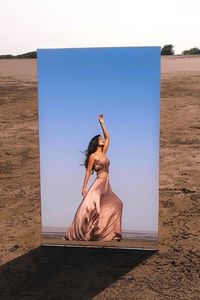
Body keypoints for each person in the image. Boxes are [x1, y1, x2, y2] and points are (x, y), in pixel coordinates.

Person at [64, 114, 123, 241]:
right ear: (96, 142)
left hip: (106, 185)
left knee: (117, 203)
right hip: (98, 185)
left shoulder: (103, 152)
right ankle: (77, 233)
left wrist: (102, 123)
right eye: (100, 139)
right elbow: (88, 172)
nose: (102, 140)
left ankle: (109, 232)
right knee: (92, 209)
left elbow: (108, 138)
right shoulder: (93, 156)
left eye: (101, 139)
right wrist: (84, 188)